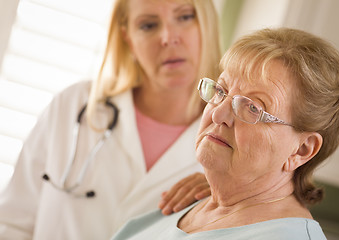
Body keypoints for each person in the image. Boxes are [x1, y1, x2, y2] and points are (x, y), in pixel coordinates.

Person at [0, 0, 220, 239]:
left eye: (185, 17)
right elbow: (12, 223)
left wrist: (224, 199)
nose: (168, 37)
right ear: (128, 39)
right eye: (148, 25)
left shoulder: (229, 139)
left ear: (207, 24)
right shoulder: (75, 105)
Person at [111, 27, 339, 239]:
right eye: (220, 91)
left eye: (253, 107)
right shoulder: (187, 204)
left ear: (302, 149)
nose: (217, 115)